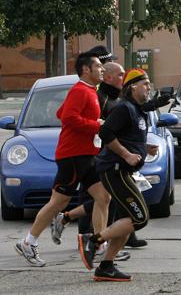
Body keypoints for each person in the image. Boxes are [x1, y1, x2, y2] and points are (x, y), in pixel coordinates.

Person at [14, 52, 111, 267]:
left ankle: (100, 244)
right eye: (98, 66)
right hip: (73, 156)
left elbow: (60, 112)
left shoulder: (88, 91)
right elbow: (67, 118)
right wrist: (97, 125)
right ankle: (28, 242)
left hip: (87, 155)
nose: (102, 69)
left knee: (103, 197)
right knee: (58, 202)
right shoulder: (80, 90)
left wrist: (92, 121)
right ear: (86, 69)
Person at [77, 68, 157, 281]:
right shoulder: (124, 108)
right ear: (132, 87)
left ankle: (106, 266)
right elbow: (105, 133)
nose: (148, 88)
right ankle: (93, 240)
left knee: (125, 220)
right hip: (115, 170)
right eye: (145, 84)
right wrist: (127, 154)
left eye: (149, 84)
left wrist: (144, 147)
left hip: (123, 171)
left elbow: (126, 136)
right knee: (140, 218)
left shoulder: (137, 110)